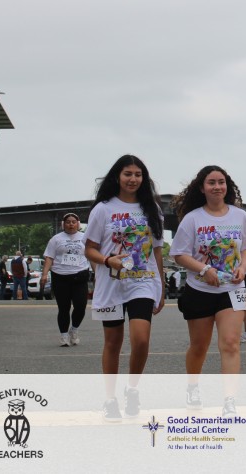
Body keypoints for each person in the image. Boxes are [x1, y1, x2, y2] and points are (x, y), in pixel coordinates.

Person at [170, 165, 246, 418]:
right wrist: (204, 269)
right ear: (202, 188)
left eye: (221, 182)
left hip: (233, 289)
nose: (217, 187)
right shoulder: (193, 218)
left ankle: (229, 401)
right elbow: (178, 254)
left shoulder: (240, 216)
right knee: (199, 346)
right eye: (211, 182)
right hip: (199, 290)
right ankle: (192, 387)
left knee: (230, 343)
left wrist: (242, 267)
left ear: (227, 186)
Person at [84, 155, 165, 421]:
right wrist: (108, 260)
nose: (133, 179)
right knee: (113, 342)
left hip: (143, 281)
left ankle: (132, 389)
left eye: (138, 175)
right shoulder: (103, 209)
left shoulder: (152, 209)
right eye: (128, 174)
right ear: (117, 177)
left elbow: (157, 250)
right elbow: (89, 249)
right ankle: (110, 399)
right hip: (111, 283)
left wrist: (161, 286)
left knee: (141, 339)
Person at [42, 213, 89, 347]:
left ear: (78, 224)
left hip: (80, 275)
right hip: (60, 276)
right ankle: (64, 335)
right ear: (63, 224)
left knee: (80, 306)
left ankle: (74, 330)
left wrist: (98, 273)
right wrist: (44, 274)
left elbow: (91, 255)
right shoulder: (56, 239)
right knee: (64, 308)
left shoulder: (85, 238)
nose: (71, 224)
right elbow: (49, 257)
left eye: (74, 222)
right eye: (68, 222)